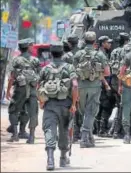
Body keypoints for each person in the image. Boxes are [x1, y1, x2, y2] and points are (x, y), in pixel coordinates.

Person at [38, 42, 78, 170]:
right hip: (65, 105)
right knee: (64, 130)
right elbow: (75, 85)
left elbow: (38, 87)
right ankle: (62, 158)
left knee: (49, 130)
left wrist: (41, 101)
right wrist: (73, 104)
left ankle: (50, 160)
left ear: (51, 54)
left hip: (49, 105)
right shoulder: (70, 67)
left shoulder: (45, 68)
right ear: (63, 54)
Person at [74, 32, 111, 148]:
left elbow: (73, 72)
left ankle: (89, 137)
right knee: (91, 112)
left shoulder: (78, 54)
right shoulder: (99, 55)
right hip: (94, 86)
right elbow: (107, 72)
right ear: (95, 42)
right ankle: (85, 138)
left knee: (84, 112)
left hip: (80, 86)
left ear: (84, 41)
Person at [6, 38, 40, 143]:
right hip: (33, 89)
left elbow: (12, 77)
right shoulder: (35, 60)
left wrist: (8, 91)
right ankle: (32, 137)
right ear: (28, 48)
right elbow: (39, 76)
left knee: (13, 110)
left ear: (20, 49)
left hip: (20, 89)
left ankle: (15, 135)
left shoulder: (16, 60)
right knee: (32, 112)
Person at [108, 33, 130, 142]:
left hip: (114, 81)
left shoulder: (114, 51)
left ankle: (114, 130)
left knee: (120, 106)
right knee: (122, 107)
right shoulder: (126, 51)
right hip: (123, 81)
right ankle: (116, 130)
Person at [95, 36, 114, 137]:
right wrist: (106, 85)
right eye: (108, 42)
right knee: (106, 106)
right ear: (103, 43)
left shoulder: (103, 53)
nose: (110, 44)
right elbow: (100, 72)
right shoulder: (100, 54)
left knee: (102, 106)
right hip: (103, 83)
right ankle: (101, 130)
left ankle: (99, 129)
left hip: (103, 83)